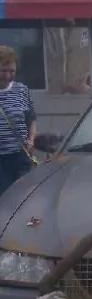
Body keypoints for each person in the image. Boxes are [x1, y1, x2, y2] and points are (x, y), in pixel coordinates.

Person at [0, 46, 37, 197]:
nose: (8, 75)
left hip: (20, 156)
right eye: (3, 71)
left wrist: (31, 140)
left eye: (12, 71)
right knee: (4, 199)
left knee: (23, 199)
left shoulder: (22, 90)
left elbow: (31, 120)